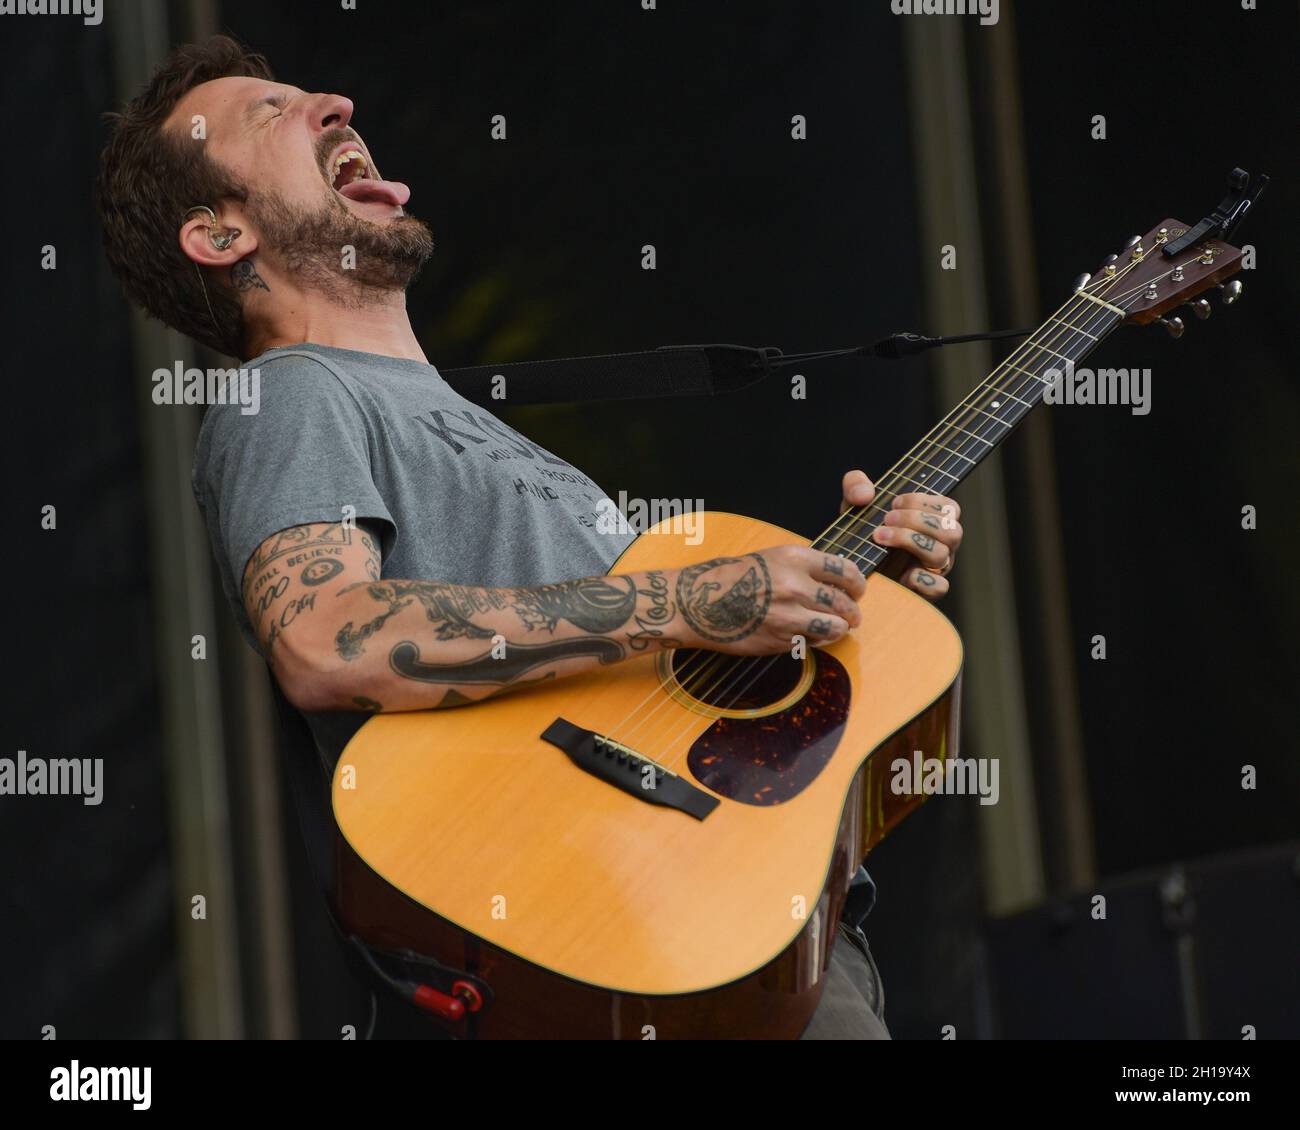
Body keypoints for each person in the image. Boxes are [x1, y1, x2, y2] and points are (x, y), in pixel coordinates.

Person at [97, 36, 964, 1040]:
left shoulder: (496, 443)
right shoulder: (287, 392)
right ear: (217, 235)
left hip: (736, 921)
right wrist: (690, 597)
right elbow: (328, 638)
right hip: (597, 939)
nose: (336, 102)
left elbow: (656, 703)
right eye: (271, 111)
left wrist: (847, 591)